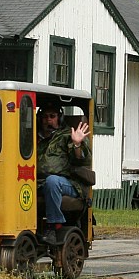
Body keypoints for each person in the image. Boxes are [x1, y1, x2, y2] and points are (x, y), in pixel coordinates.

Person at [37, 101, 91, 244]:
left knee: (52, 181)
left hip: (66, 183)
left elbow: (80, 159)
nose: (48, 120)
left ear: (59, 118)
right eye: (44, 117)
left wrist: (77, 144)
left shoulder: (67, 135)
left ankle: (54, 226)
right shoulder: (33, 137)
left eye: (52, 116)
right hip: (37, 182)